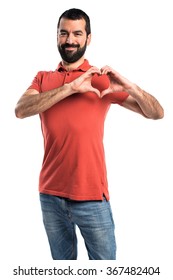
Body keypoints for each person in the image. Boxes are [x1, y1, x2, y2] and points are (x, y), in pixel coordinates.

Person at [15, 8, 164, 260]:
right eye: (64, 33)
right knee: (62, 271)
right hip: (50, 195)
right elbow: (21, 109)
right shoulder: (43, 78)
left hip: (92, 197)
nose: (70, 40)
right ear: (57, 36)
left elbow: (156, 113)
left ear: (88, 38)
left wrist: (130, 87)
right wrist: (71, 88)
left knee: (105, 271)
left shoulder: (99, 81)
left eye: (77, 33)